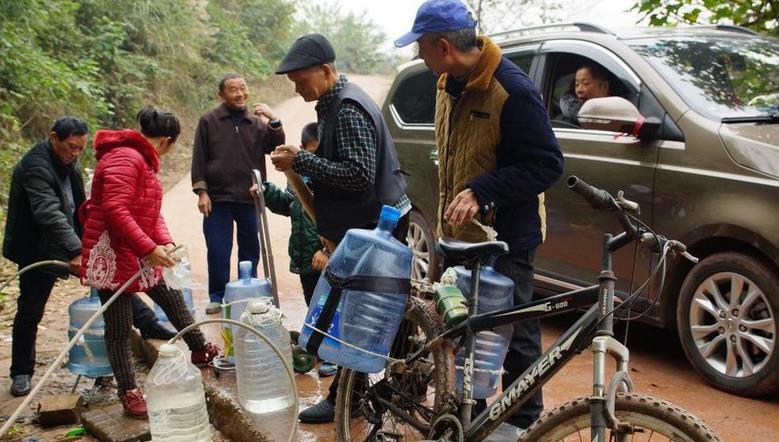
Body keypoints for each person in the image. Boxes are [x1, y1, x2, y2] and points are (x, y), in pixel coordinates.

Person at [395, 0, 564, 438]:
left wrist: (483, 189)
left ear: (443, 46)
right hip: (459, 234)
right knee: (464, 327)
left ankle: (523, 421)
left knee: (515, 330)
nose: (419, 56)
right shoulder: (445, 84)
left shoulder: (512, 90)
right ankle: (473, 416)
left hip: (507, 236)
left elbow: (546, 165)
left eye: (421, 47)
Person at [272, 33, 411, 424]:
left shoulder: (347, 108)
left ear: (325, 70)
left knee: (357, 311)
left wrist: (302, 161)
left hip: (377, 224)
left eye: (302, 81)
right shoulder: (332, 103)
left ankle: (347, 398)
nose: (298, 90)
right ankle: (392, 384)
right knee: (369, 307)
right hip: (370, 221)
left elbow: (358, 174)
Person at [2, 117, 174, 398]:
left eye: (80, 148)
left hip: (71, 239)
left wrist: (90, 244)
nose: (75, 153)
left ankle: (148, 325)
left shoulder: (68, 161)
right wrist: (76, 251)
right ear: (53, 137)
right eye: (70, 146)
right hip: (37, 247)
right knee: (31, 309)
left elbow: (82, 204)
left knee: (112, 282)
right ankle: (21, 372)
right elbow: (48, 212)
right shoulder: (36, 166)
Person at [81, 107, 220, 418]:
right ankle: (128, 390)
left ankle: (199, 348)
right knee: (119, 325)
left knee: (170, 296)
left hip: (136, 247)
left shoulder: (142, 159)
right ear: (167, 141)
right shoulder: (126, 158)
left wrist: (164, 242)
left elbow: (151, 212)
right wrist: (148, 247)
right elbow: (115, 209)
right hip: (114, 251)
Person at [191, 74, 285, 314]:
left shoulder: (255, 123)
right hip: (218, 198)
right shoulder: (209, 121)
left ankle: (248, 292)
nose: (240, 93)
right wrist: (202, 191)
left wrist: (274, 120)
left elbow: (274, 147)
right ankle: (217, 296)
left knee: (250, 248)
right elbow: (199, 158)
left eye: (243, 88)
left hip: (249, 197)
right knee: (218, 249)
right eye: (233, 89)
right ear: (221, 94)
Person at [259, 122, 336, 377]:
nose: (315, 158)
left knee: (329, 306)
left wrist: (326, 250)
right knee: (312, 304)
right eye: (311, 152)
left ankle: (333, 354)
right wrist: (266, 192)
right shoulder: (298, 176)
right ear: (302, 149)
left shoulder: (329, 177)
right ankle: (318, 348)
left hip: (325, 257)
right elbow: (287, 205)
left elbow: (337, 220)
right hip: (305, 258)